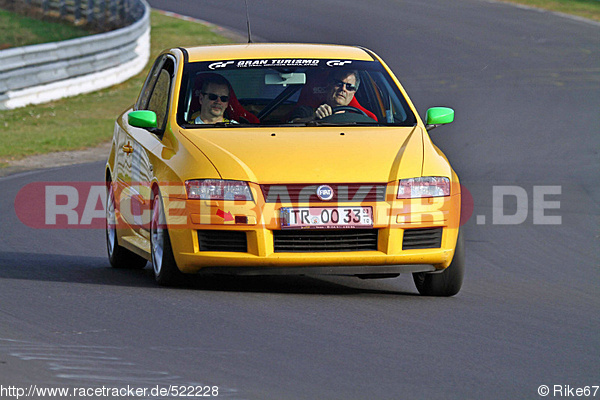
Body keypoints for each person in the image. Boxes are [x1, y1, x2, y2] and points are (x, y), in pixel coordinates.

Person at [290, 70, 361, 122]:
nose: (343, 89)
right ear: (329, 84)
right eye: (338, 84)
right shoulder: (306, 111)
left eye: (349, 87)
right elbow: (294, 124)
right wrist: (314, 118)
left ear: (354, 92)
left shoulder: (358, 120)